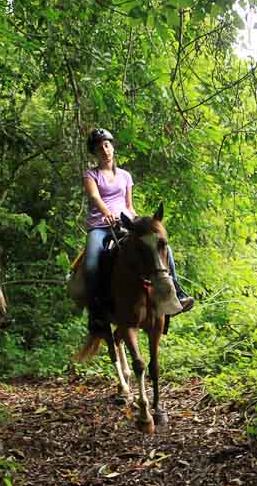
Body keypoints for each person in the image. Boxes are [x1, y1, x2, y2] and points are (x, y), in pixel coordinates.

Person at [82, 127, 193, 333]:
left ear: (112, 147)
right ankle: (96, 313)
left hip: (125, 223)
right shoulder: (91, 175)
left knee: (162, 247)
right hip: (100, 226)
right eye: (99, 148)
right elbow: (95, 197)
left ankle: (176, 292)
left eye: (107, 145)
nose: (104, 150)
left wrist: (137, 221)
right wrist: (106, 212)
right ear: (95, 153)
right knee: (90, 264)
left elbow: (129, 204)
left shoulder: (125, 175)